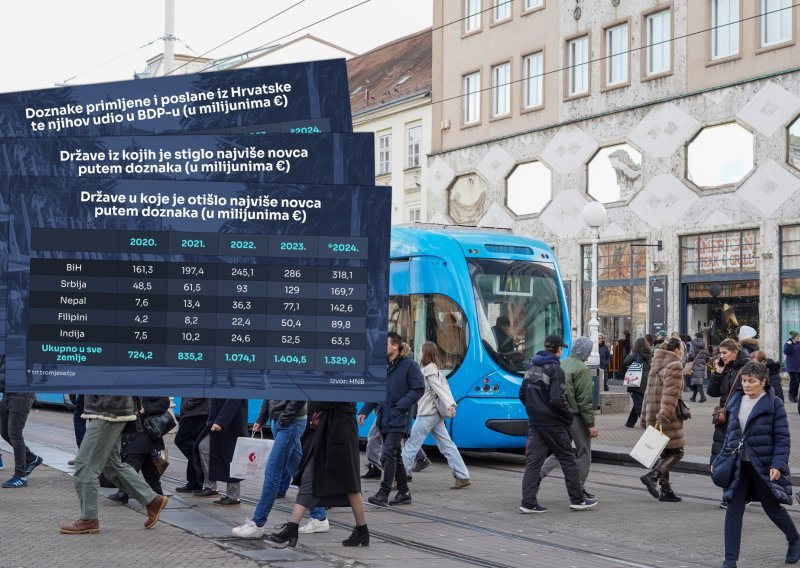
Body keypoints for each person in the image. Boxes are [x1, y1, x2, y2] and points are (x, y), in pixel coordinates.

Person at [715, 362, 799, 568]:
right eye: (744, 381)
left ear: (763, 381)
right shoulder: (736, 399)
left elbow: (782, 438)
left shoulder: (774, 404)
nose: (747, 385)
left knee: (772, 508)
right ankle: (730, 560)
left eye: (751, 381)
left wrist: (778, 465)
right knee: (733, 509)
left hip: (763, 464)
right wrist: (718, 459)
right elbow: (729, 435)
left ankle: (795, 539)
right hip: (738, 465)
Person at [59, 395, 168, 534]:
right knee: (112, 465)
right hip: (111, 410)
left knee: (85, 465)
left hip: (106, 411)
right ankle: (152, 500)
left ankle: (88, 518)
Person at [269, 402, 368, 548]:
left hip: (341, 433)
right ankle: (292, 527)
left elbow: (323, 402)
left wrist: (312, 398)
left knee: (350, 484)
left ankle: (362, 530)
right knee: (308, 477)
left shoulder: (346, 381)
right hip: (326, 431)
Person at [518, 334, 597, 513]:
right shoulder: (555, 369)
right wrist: (567, 418)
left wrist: (534, 410)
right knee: (568, 459)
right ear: (558, 349)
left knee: (533, 462)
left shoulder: (532, 367)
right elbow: (558, 399)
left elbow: (522, 394)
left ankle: (528, 502)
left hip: (535, 423)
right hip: (553, 424)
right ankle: (578, 499)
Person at [358, 332, 424, 506]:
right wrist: (365, 410)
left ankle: (383, 492)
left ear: (395, 346)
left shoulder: (409, 365)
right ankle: (404, 492)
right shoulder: (383, 366)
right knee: (394, 456)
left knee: (387, 453)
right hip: (384, 418)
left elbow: (418, 389)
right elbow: (376, 391)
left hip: (399, 417)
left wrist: (401, 404)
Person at [231, 399, 307, 537]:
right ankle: (320, 517)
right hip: (281, 421)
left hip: (290, 422)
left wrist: (284, 417)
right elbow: (269, 392)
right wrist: (261, 419)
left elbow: (300, 395)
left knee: (272, 472)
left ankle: (258, 523)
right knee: (297, 469)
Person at [401, 341, 471, 489]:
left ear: (425, 353)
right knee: (447, 445)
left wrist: (450, 404)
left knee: (411, 445)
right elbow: (443, 388)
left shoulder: (428, 370)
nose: (419, 353)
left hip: (427, 413)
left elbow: (439, 389)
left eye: (420, 350)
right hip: (436, 415)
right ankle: (463, 475)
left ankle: (401, 476)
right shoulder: (435, 369)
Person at [539, 336, 598, 500]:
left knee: (559, 450)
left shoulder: (562, 363)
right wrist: (591, 424)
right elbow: (585, 400)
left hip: (559, 415)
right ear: (586, 351)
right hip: (576, 417)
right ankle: (578, 487)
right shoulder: (582, 369)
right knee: (584, 451)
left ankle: (538, 475)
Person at [639, 338, 686, 502]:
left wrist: (644, 416)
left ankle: (666, 490)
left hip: (653, 413)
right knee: (677, 452)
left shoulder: (656, 363)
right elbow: (670, 395)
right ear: (677, 350)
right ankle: (652, 476)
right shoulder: (675, 364)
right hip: (666, 417)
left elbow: (647, 393)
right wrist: (664, 415)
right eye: (682, 348)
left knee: (666, 452)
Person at [108, 397, 171, 504]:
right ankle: (158, 493)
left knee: (131, 460)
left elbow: (164, 403)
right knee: (148, 466)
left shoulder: (153, 384)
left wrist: (147, 408)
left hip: (146, 429)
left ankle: (123, 492)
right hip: (135, 430)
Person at [193, 398, 248, 506]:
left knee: (231, 458)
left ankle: (234, 496)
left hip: (231, 424)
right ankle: (210, 486)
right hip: (216, 422)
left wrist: (220, 421)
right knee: (203, 446)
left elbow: (233, 400)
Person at [0, 352, 43, 488]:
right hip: (7, 392)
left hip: (22, 393)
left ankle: (20, 476)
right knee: (4, 432)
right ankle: (31, 458)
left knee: (15, 433)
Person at [174, 398, 209, 494]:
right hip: (196, 413)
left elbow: (201, 391)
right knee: (194, 446)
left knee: (181, 440)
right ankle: (194, 483)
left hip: (195, 413)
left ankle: (199, 464)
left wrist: (187, 404)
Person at [623, 337, 652, 428]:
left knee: (639, 404)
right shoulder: (650, 353)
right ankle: (630, 422)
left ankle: (647, 423)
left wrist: (631, 353)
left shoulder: (635, 354)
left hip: (636, 382)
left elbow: (625, 361)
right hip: (647, 381)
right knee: (638, 402)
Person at [687, 333, 709, 403]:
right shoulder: (705, 345)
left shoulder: (693, 344)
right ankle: (693, 397)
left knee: (697, 382)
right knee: (697, 381)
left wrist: (688, 359)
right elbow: (708, 356)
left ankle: (703, 397)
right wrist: (704, 362)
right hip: (702, 365)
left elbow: (691, 355)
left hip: (695, 364)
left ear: (696, 337)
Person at [783, 331, 800, 403]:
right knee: (794, 380)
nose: (799, 338)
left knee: (798, 381)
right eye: (797, 337)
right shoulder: (788, 344)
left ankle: (795, 396)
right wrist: (788, 344)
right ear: (794, 337)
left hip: (798, 366)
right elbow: (786, 352)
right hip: (791, 365)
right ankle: (791, 394)